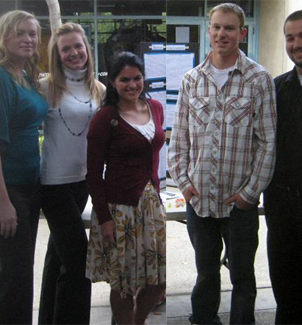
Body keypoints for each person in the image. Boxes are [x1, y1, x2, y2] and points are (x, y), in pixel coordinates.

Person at [168, 3, 276, 325]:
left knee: (242, 277)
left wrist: (249, 193)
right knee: (205, 274)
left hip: (239, 206)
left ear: (242, 33)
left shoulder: (259, 79)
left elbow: (268, 142)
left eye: (229, 28)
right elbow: (179, 139)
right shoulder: (191, 80)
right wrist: (185, 185)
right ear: (208, 30)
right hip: (199, 203)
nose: (221, 34)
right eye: (216, 27)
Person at [86, 51, 166, 325]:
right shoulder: (105, 117)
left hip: (151, 205)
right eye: (124, 80)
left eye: (137, 78)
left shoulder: (155, 107)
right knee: (123, 283)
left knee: (157, 282)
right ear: (113, 83)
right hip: (119, 210)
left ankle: (137, 321)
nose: (132, 85)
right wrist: (104, 219)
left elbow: (153, 156)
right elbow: (94, 174)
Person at [38, 23, 105, 324]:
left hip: (83, 182)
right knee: (80, 263)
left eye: (78, 46)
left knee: (58, 257)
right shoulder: (45, 86)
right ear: (57, 54)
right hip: (53, 184)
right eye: (66, 49)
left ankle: (48, 318)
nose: (74, 53)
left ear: (86, 48)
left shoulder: (98, 88)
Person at [263, 10, 302, 325]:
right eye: (290, 37)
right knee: (285, 290)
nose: (297, 44)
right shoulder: (277, 89)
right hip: (281, 206)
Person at [0, 10, 49, 325]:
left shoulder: (27, 75)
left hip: (30, 186)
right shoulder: (3, 78)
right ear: (5, 37)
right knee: (13, 277)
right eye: (21, 33)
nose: (29, 39)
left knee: (21, 273)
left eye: (33, 33)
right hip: (11, 189)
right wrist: (3, 203)